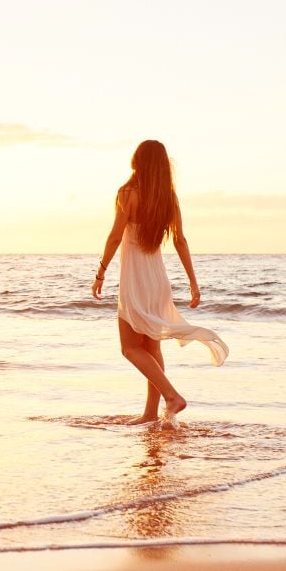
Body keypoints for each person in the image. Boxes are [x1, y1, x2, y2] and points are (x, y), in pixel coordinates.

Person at [91, 140, 228, 424]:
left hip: (135, 280)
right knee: (151, 348)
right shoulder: (168, 198)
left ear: (137, 161)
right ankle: (151, 414)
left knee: (129, 348)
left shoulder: (127, 193)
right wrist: (193, 282)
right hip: (157, 281)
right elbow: (180, 240)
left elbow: (115, 236)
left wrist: (100, 272)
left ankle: (171, 396)